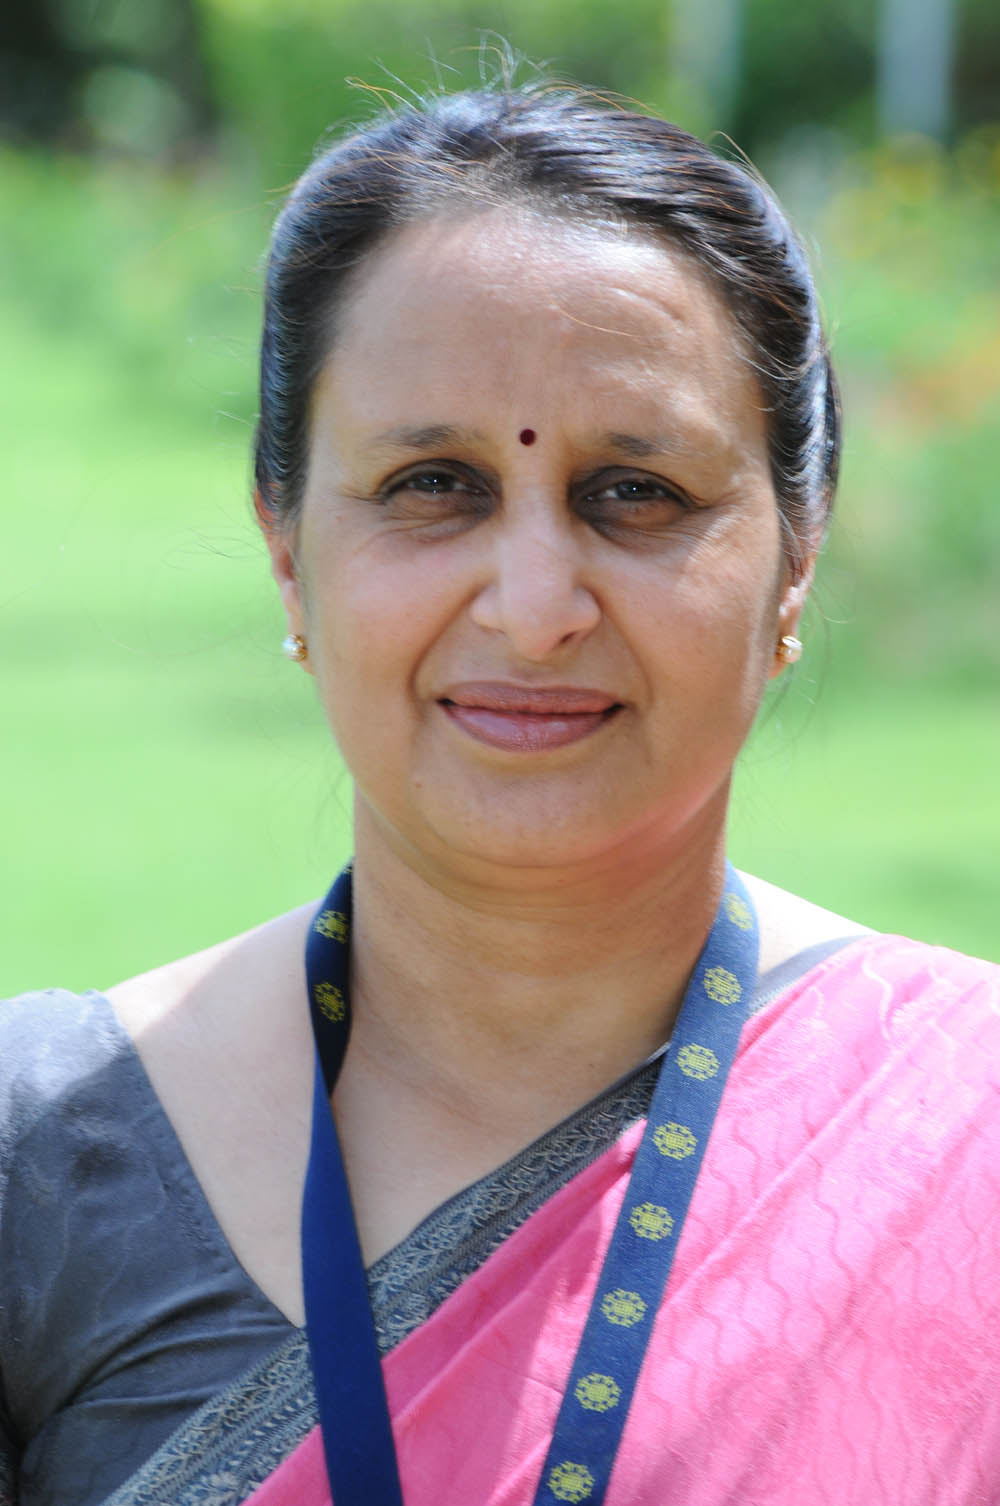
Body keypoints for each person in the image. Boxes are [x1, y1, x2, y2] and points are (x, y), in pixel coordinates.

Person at [2, 80, 998, 1506]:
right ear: (288, 553)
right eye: (435, 484)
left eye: (637, 492)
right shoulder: (45, 1158)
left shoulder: (963, 1123)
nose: (535, 611)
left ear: (796, 560)